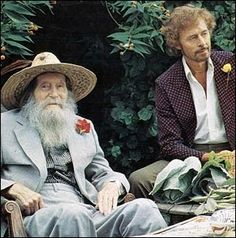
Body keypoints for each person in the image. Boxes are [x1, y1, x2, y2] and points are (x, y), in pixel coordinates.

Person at [1, 52, 167, 237]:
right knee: (74, 216)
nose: (54, 94)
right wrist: (10, 188)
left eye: (60, 87)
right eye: (45, 87)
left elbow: (103, 172)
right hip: (36, 215)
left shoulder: (81, 126)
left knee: (144, 209)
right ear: (30, 95)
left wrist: (113, 184)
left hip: (86, 209)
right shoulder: (4, 125)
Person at [128, 4, 235, 199]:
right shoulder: (167, 83)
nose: (202, 42)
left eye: (204, 33)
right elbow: (169, 144)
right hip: (193, 156)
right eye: (193, 38)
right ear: (177, 44)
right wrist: (205, 157)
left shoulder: (231, 65)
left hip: (232, 150)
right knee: (139, 179)